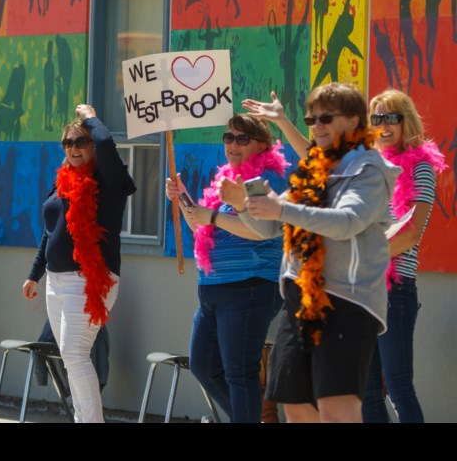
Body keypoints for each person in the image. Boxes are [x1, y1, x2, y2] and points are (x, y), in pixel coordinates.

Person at [224, 82, 399, 423]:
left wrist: (281, 210)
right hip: (299, 300)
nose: (316, 125)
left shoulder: (369, 169)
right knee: (296, 406)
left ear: (353, 121)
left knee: (335, 408)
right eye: (311, 119)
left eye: (326, 118)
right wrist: (242, 206)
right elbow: (267, 229)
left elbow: (349, 221)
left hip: (346, 303)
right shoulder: (312, 170)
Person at [165, 115, 287, 422]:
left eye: (242, 139)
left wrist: (213, 217)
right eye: (228, 138)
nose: (233, 144)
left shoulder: (265, 180)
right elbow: (202, 229)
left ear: (262, 145)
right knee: (203, 367)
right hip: (213, 290)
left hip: (249, 287)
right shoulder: (226, 180)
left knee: (240, 373)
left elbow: (263, 229)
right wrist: (182, 200)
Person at [22, 104, 136, 423]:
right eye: (68, 143)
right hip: (56, 284)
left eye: (81, 141)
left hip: (89, 280)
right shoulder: (61, 184)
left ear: (92, 147)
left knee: (75, 354)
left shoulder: (109, 182)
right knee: (71, 358)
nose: (73, 148)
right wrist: (35, 275)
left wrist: (91, 118)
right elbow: (50, 234)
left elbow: (108, 146)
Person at [361, 89, 446, 423]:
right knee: (366, 393)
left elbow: (411, 231)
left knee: (397, 387)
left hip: (394, 292)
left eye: (390, 118)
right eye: (376, 118)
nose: (382, 125)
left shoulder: (420, 168)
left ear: (405, 121)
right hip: (362, 291)